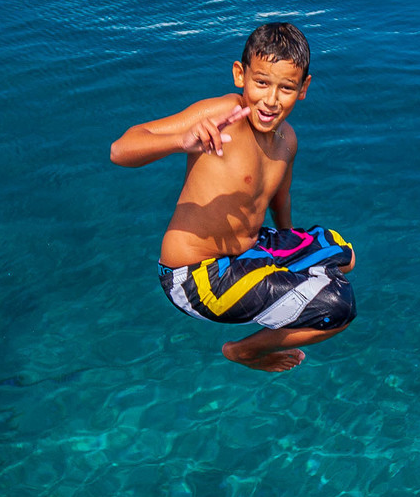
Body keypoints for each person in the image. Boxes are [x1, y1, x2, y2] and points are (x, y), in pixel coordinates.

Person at [109, 21, 356, 375]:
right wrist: (182, 142)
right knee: (339, 306)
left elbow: (278, 200)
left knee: (344, 255)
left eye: (286, 88)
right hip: (195, 276)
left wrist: (294, 253)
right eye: (261, 83)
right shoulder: (220, 115)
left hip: (246, 252)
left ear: (304, 88)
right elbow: (121, 149)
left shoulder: (288, 140)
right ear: (240, 75)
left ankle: (284, 294)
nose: (271, 100)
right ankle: (244, 351)